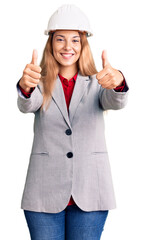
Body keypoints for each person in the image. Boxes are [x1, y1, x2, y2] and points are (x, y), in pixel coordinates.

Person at [17, 4, 129, 240]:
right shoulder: (38, 80)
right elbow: (28, 104)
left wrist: (119, 83)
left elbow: (115, 101)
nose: (68, 46)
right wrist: (26, 86)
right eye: (60, 39)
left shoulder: (100, 81)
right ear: (51, 43)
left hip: (91, 190)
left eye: (75, 40)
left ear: (83, 44)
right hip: (43, 192)